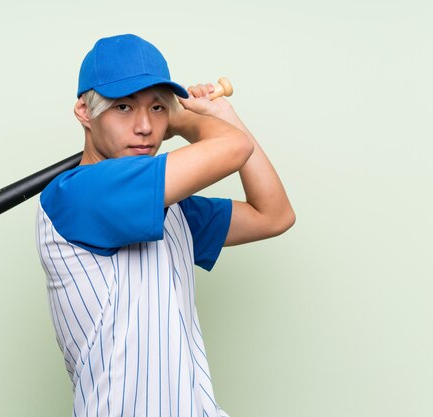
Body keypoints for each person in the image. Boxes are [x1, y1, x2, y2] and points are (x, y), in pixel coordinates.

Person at [36, 33, 295, 417]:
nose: (144, 127)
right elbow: (233, 148)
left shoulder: (169, 207)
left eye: (157, 109)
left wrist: (224, 115)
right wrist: (187, 116)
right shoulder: (81, 193)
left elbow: (273, 215)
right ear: (84, 112)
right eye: (123, 107)